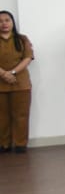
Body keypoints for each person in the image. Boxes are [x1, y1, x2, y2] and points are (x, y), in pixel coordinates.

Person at [0, 10, 35, 153]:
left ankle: (20, 144)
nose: (4, 23)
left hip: (20, 83)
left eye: (7, 20)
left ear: (12, 22)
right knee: (2, 116)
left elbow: (28, 57)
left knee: (21, 115)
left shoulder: (22, 39)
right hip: (1, 83)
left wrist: (12, 72)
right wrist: (4, 73)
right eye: (0, 21)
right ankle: (4, 144)